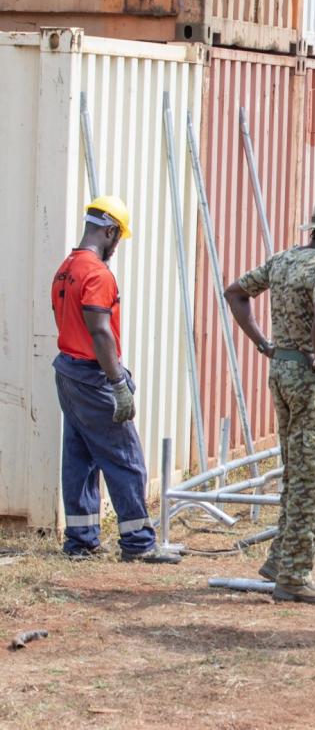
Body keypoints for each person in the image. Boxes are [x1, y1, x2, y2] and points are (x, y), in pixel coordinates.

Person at [226, 200, 315, 603]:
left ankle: (279, 558)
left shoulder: (283, 260)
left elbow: (235, 292)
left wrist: (264, 344)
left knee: (295, 469)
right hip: (307, 377)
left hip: (281, 371)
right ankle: (294, 575)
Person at [50, 196, 178, 563]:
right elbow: (100, 331)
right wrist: (118, 383)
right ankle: (138, 542)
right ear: (110, 231)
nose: (117, 246)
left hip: (68, 372)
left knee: (80, 457)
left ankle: (81, 541)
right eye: (118, 237)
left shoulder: (66, 268)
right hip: (93, 377)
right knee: (125, 457)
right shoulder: (97, 273)